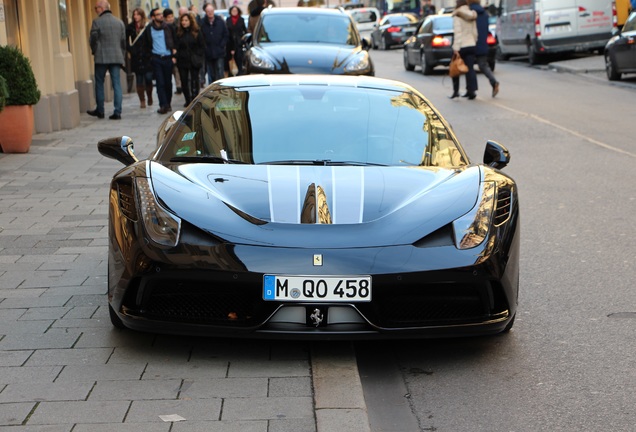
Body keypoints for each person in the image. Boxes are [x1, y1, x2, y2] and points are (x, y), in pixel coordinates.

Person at [87, 0, 126, 120]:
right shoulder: (119, 22)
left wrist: (94, 51)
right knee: (117, 84)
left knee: (99, 83)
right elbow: (123, 42)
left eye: (96, 8)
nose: (95, 10)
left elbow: (93, 39)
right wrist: (121, 55)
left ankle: (100, 110)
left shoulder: (97, 22)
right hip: (116, 57)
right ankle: (117, 112)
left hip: (101, 57)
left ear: (101, 8)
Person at [457, 0, 500, 97]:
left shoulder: (470, 13)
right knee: (483, 65)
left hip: (471, 42)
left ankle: (471, 90)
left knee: (469, 67)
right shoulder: (484, 13)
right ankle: (493, 82)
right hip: (483, 43)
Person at [145, 8, 177, 114]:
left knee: (168, 82)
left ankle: (168, 103)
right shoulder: (149, 29)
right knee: (160, 82)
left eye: (161, 14)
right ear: (153, 17)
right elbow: (147, 43)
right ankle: (163, 105)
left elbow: (175, 41)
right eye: (158, 14)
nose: (161, 16)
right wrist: (150, 57)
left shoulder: (168, 27)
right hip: (156, 58)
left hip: (168, 57)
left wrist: (174, 55)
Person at [175, 12, 206, 106]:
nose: (184, 22)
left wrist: (198, 55)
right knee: (184, 81)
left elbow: (202, 45)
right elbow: (176, 46)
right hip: (182, 60)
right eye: (182, 20)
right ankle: (188, 100)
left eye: (186, 20)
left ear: (190, 21)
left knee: (194, 80)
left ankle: (195, 99)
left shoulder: (196, 32)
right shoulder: (179, 32)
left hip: (194, 60)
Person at [450, 0, 478, 100]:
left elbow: (458, 33)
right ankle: (471, 91)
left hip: (461, 45)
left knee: (456, 67)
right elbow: (475, 31)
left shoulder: (458, 14)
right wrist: (474, 41)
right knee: (470, 69)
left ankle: (456, 91)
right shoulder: (472, 14)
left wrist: (456, 48)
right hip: (471, 44)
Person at [126, 7, 153, 108]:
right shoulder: (130, 27)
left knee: (148, 78)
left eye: (137, 14)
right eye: (134, 14)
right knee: (139, 79)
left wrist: (150, 52)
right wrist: (130, 49)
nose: (135, 16)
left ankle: (149, 95)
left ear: (142, 15)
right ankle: (142, 100)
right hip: (136, 57)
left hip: (146, 56)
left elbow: (151, 41)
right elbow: (125, 40)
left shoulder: (147, 27)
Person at [201, 3, 229, 84]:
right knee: (211, 74)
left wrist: (222, 45)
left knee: (220, 72)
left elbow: (226, 34)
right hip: (208, 52)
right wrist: (205, 47)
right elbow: (201, 37)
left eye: (211, 11)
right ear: (205, 12)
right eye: (208, 11)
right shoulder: (202, 23)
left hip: (219, 51)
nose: (210, 13)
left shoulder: (220, 21)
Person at [163, 8, 182, 95]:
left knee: (177, 69)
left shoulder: (176, 26)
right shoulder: (164, 27)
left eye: (171, 16)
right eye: (168, 17)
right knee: (174, 70)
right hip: (168, 51)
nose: (170, 18)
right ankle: (178, 86)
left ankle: (179, 86)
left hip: (176, 50)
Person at [226, 5, 247, 76]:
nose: (234, 12)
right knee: (231, 60)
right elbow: (227, 31)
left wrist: (243, 40)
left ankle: (240, 73)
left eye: (236, 11)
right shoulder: (228, 20)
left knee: (239, 59)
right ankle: (231, 73)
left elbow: (245, 31)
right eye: (233, 11)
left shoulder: (241, 19)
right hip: (230, 43)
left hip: (239, 43)